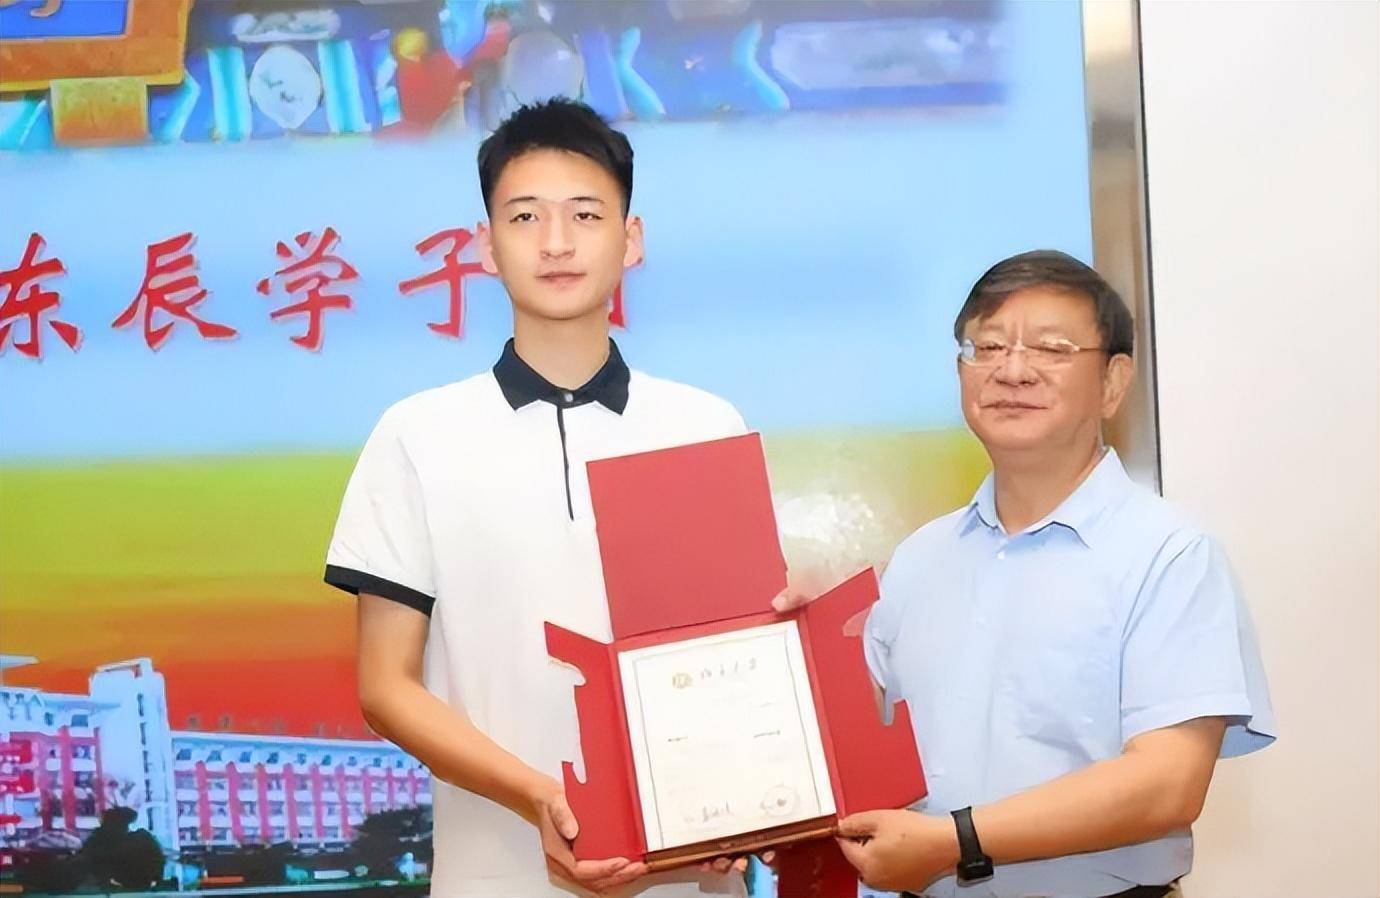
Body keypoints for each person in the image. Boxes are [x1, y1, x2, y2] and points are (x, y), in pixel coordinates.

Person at [324, 98, 748, 898]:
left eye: (585, 214)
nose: (556, 242)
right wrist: (539, 798)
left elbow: (733, 665)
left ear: (631, 239)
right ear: (486, 246)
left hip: (684, 876)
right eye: (525, 217)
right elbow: (385, 686)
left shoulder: (704, 424)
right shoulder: (417, 434)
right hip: (491, 873)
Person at [779, 250, 1275, 898]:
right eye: (987, 346)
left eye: (1051, 348)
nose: (1012, 370)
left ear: (1113, 382)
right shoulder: (921, 559)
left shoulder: (1171, 554)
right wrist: (798, 648)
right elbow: (851, 750)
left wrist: (955, 840)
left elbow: (1166, 785)